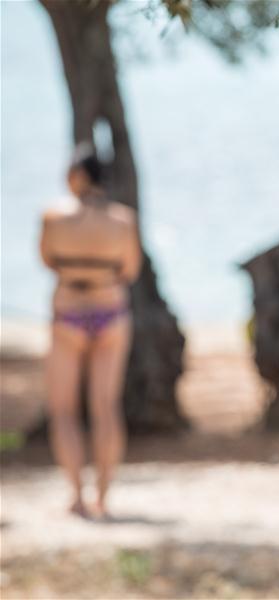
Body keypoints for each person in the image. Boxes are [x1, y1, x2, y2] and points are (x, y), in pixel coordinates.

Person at [39, 143, 142, 518]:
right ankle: (104, 497)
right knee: (105, 407)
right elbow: (129, 270)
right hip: (111, 313)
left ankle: (76, 496)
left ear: (77, 177)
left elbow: (47, 260)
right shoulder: (123, 220)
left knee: (64, 410)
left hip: (67, 315)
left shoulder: (53, 217)